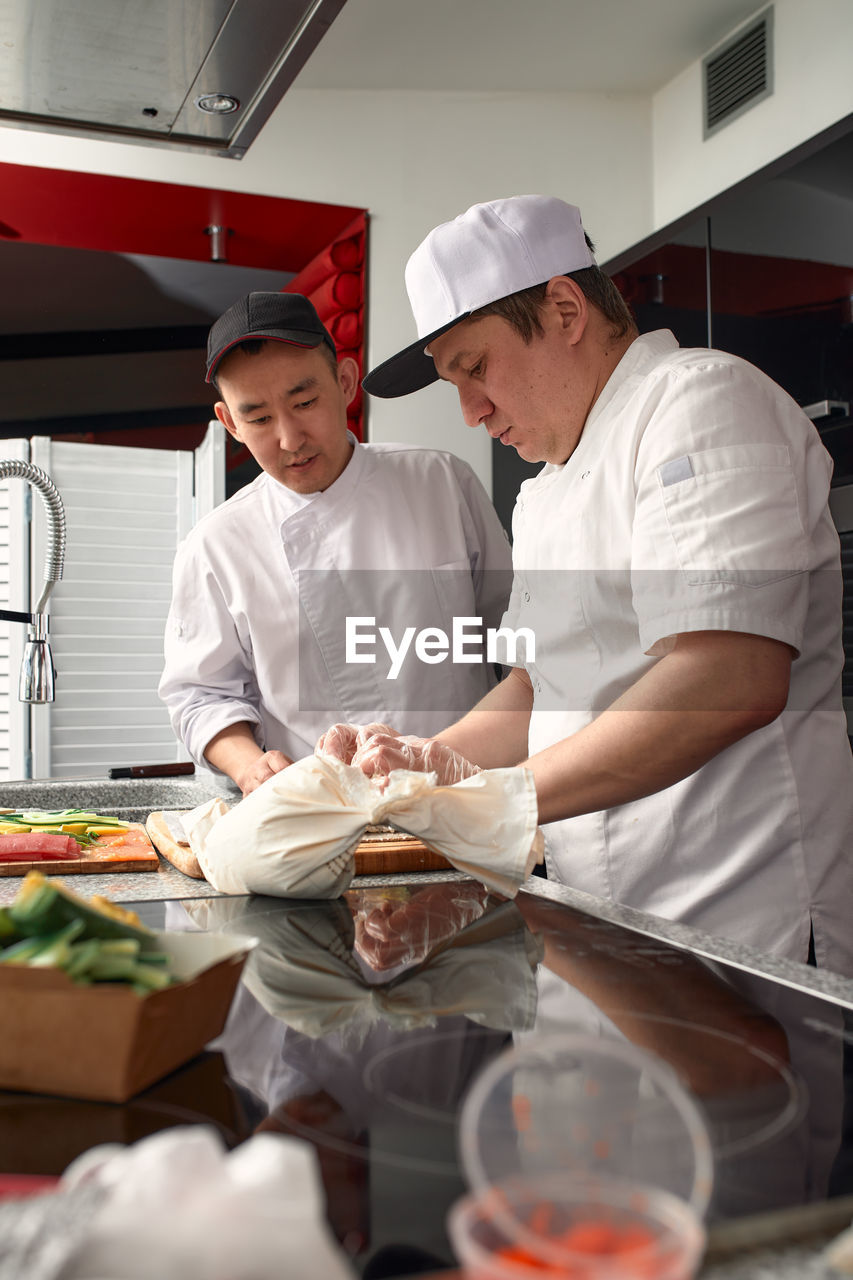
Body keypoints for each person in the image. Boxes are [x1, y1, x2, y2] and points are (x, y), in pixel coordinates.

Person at [323, 194, 853, 974]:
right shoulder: (543, 488)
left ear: (565, 308)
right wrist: (423, 762)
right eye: (453, 385)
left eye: (475, 369)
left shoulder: (699, 401)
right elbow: (538, 685)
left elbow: (730, 675)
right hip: (602, 917)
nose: (470, 411)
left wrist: (492, 803)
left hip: (743, 913)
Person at [159, 291, 512, 795]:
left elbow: (517, 639)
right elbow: (200, 694)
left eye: (305, 403)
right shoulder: (215, 545)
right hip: (320, 818)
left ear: (345, 382)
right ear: (230, 422)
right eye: (258, 419)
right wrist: (251, 768)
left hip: (461, 794)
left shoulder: (440, 481)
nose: (289, 438)